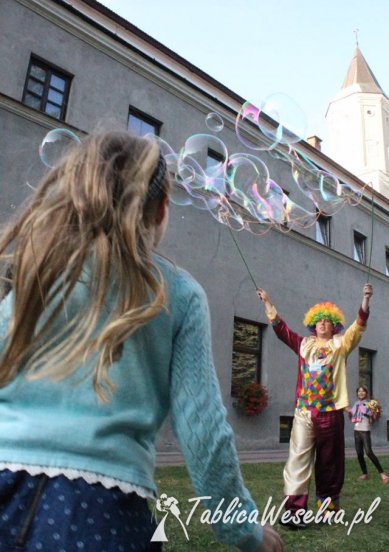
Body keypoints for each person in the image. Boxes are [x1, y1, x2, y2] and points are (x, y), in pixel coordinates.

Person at [0, 131, 283, 552]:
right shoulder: (179, 293)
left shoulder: (30, 270)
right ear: (162, 209)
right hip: (102, 510)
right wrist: (243, 530)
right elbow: (203, 432)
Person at [257, 284, 372, 529]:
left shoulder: (341, 345)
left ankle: (327, 511)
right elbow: (281, 330)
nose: (322, 324)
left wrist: (365, 300)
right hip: (304, 412)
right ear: (313, 324)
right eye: (318, 320)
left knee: (330, 462)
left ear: (333, 325)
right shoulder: (304, 344)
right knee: (297, 459)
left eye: (327, 321)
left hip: (330, 412)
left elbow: (358, 326)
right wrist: (268, 303)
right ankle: (294, 512)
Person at [349, 386, 389, 484]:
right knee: (359, 453)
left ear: (366, 393)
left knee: (369, 452)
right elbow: (351, 412)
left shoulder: (369, 403)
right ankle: (365, 474)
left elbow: (373, 415)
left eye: (363, 391)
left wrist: (373, 413)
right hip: (356, 430)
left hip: (365, 430)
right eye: (359, 391)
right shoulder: (356, 404)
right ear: (357, 393)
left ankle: (382, 474)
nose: (361, 393)